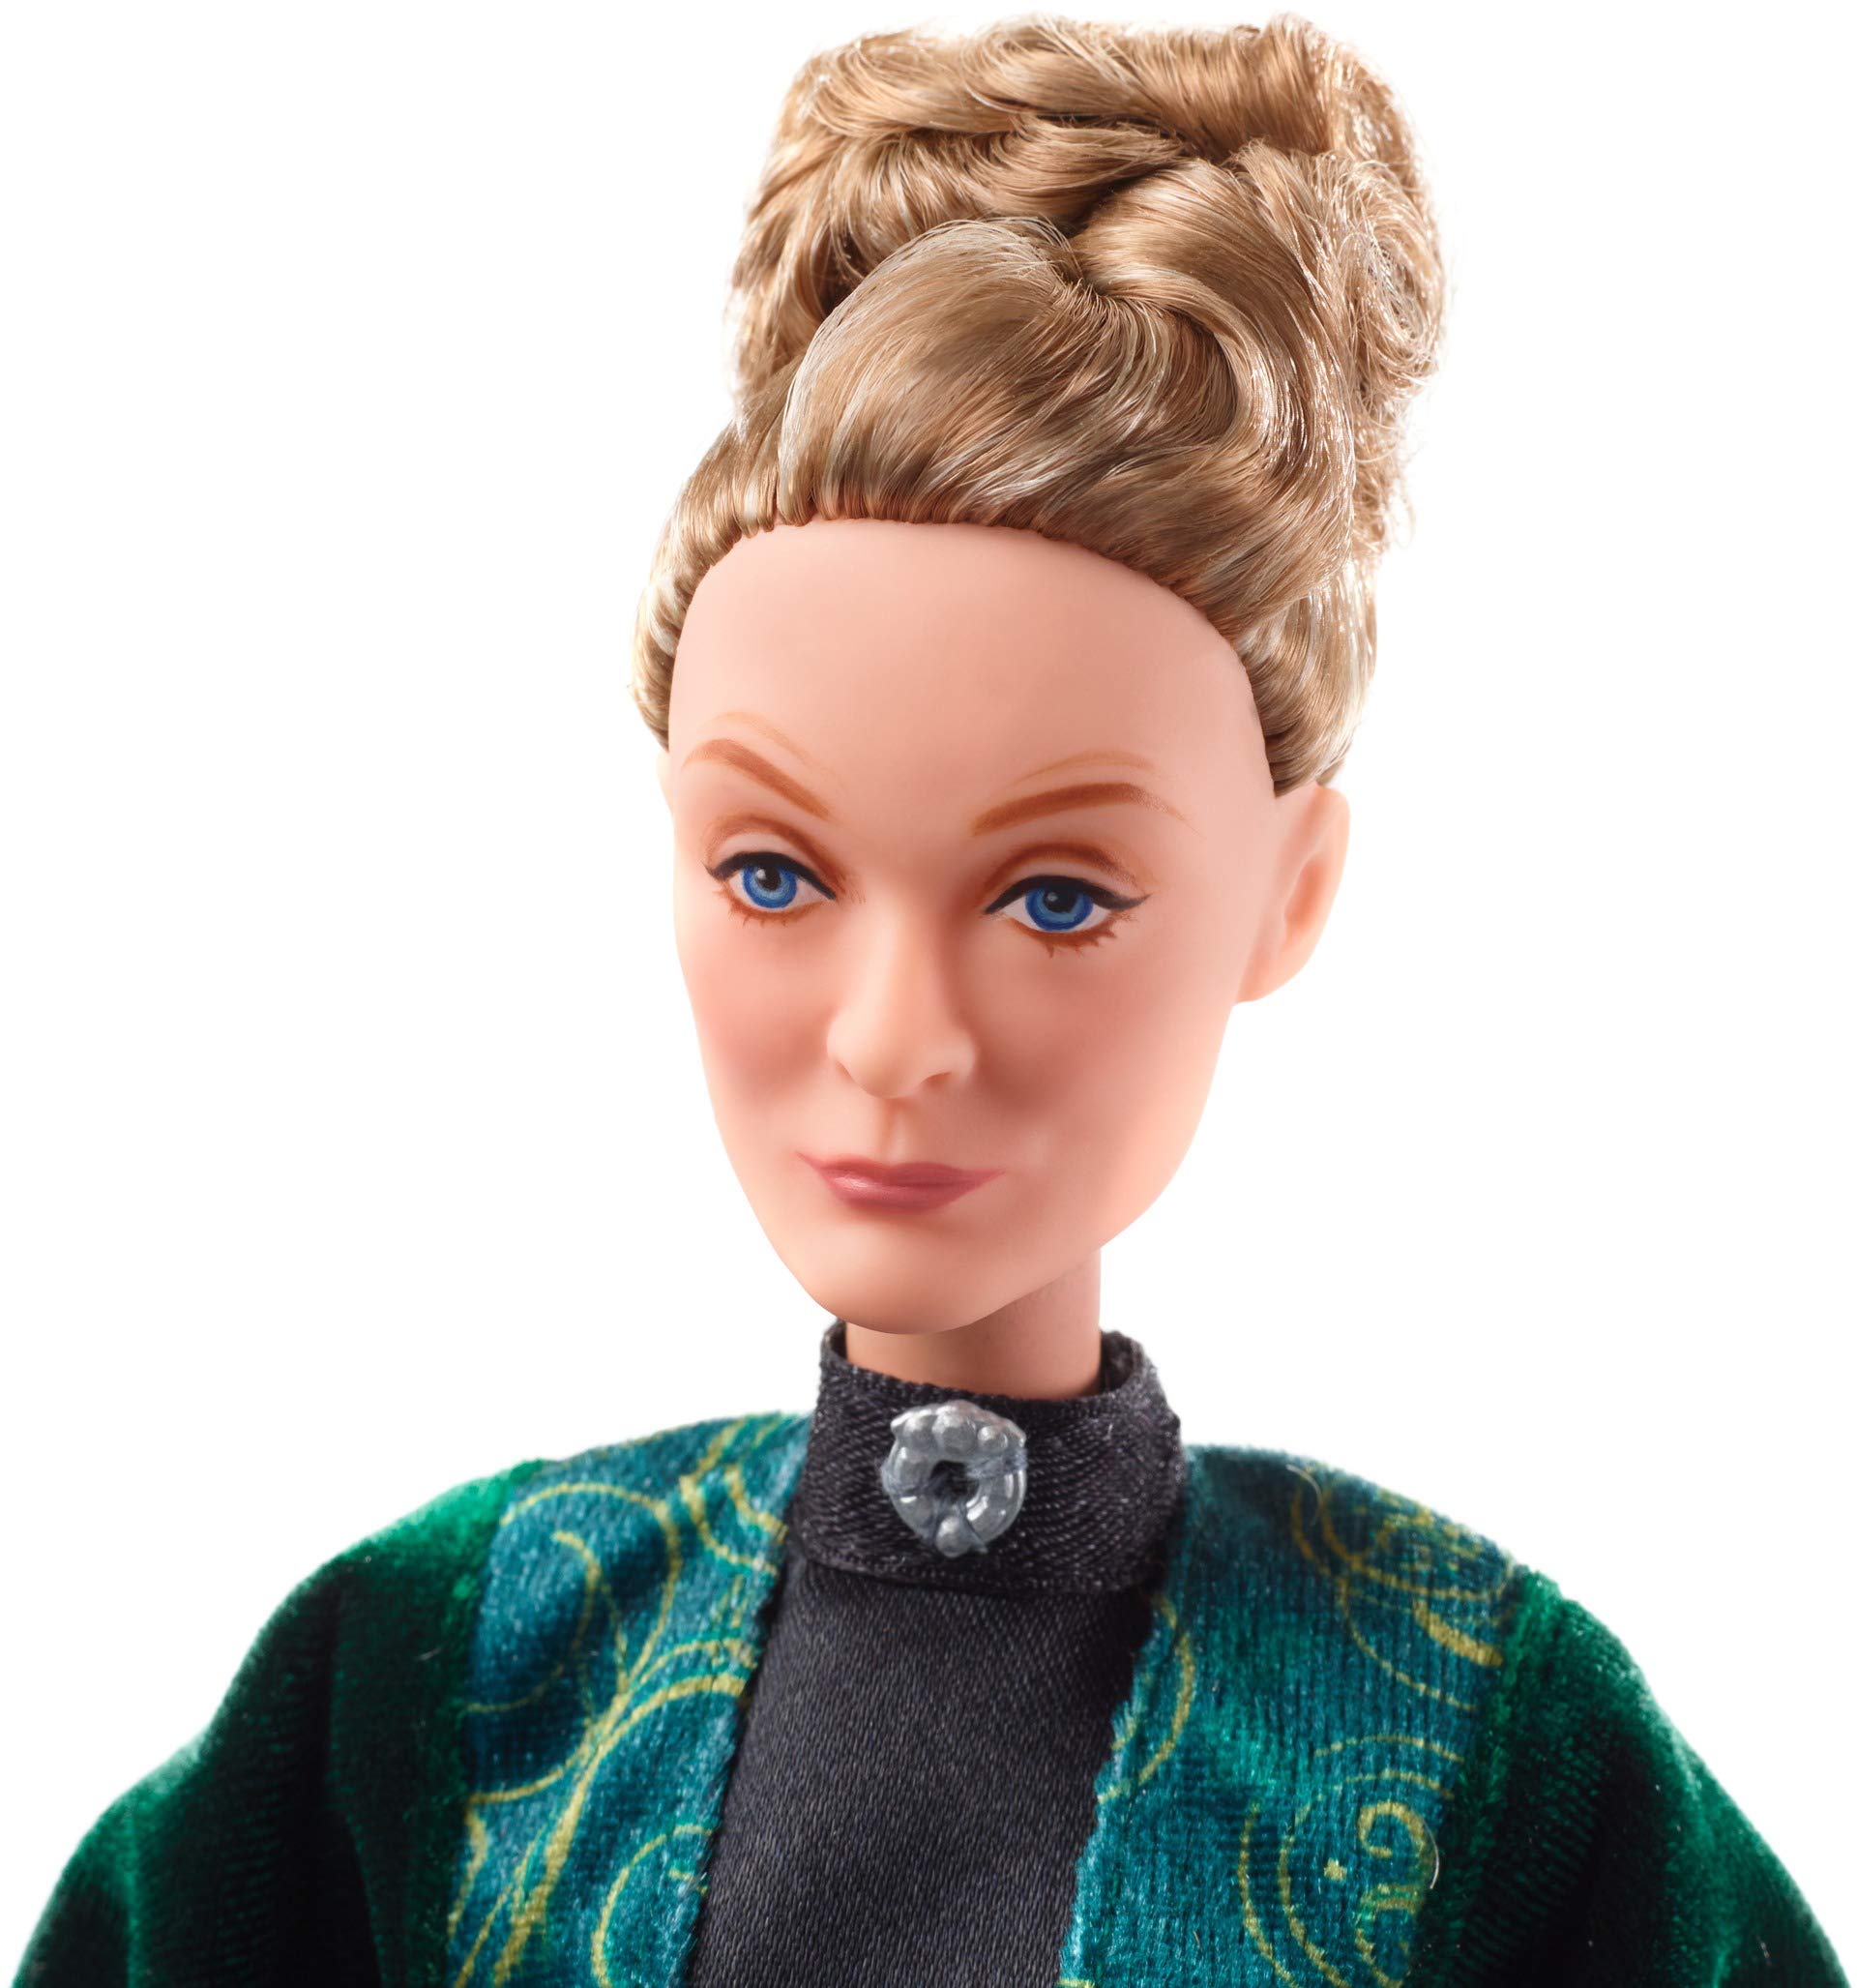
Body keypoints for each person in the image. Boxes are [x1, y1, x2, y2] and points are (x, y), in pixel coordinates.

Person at [16, 14, 1845, 1987]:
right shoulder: (444, 1679)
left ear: (1290, 890)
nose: (894, 1037)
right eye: (773, 874)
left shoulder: (1476, 1739)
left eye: (1058, 898)